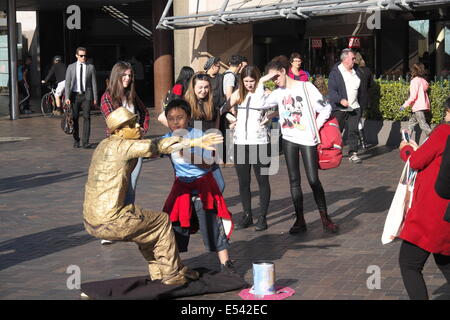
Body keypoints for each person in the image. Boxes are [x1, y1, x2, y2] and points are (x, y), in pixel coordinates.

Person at [82, 107, 222, 286]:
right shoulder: (123, 145)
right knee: (162, 221)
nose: (138, 126)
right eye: (132, 124)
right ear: (118, 131)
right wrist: (194, 142)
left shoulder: (103, 145)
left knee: (148, 232)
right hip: (112, 219)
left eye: (136, 121)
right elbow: (156, 146)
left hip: (91, 220)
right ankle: (172, 274)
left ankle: (161, 272)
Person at [252, 59, 338, 234]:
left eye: (276, 77)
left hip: (307, 138)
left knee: (313, 179)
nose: (275, 81)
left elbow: (326, 108)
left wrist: (316, 126)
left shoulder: (306, 87)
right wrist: (261, 81)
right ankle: (300, 219)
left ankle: (325, 217)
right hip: (289, 138)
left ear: (283, 71)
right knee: (294, 181)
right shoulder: (278, 92)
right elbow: (259, 103)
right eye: (272, 79)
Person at [162, 99, 235, 273]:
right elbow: (150, 150)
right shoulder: (167, 139)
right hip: (182, 186)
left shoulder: (199, 135)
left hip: (203, 184)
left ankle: (226, 265)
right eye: (171, 118)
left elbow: (208, 164)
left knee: (213, 224)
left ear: (188, 117)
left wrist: (188, 155)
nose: (175, 122)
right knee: (174, 223)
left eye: (180, 117)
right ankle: (174, 267)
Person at [397, 100, 450, 300]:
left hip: (432, 211)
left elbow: (417, 161)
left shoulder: (444, 132)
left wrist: (406, 149)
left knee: (409, 264)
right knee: (445, 262)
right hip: (446, 215)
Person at [225, 65, 272, 231]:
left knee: (262, 181)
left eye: (252, 81)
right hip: (240, 142)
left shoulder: (264, 94)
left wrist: (270, 116)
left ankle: (263, 217)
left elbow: (278, 109)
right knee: (244, 182)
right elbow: (223, 109)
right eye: (246, 81)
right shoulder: (239, 94)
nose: (249, 84)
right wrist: (233, 119)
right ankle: (247, 215)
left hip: (260, 142)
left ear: (257, 80)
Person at [328, 48, 363, 164]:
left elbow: (363, 87)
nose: (355, 60)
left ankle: (353, 153)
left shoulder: (356, 70)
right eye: (352, 58)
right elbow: (332, 92)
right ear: (345, 59)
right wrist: (340, 100)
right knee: (337, 132)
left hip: (354, 107)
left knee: (353, 131)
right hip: (340, 108)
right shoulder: (335, 72)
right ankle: (332, 152)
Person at [65, 47, 98, 149]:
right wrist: (67, 97)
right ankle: (76, 140)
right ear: (77, 56)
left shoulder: (90, 67)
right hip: (74, 95)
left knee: (87, 117)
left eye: (85, 55)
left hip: (86, 95)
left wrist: (95, 97)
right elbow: (67, 83)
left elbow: (94, 83)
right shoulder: (71, 67)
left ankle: (85, 142)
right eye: (81, 56)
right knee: (75, 118)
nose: (84, 57)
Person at [401, 63, 432, 137]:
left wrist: (404, 105)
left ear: (413, 71)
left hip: (418, 107)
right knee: (411, 122)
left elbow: (413, 96)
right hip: (421, 106)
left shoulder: (414, 81)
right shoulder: (423, 81)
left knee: (423, 124)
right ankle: (407, 139)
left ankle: (434, 137)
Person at [354, 52, 374, 150]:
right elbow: (371, 84)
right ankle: (362, 141)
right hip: (364, 98)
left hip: (356, 98)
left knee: (356, 120)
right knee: (359, 119)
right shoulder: (367, 70)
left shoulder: (354, 71)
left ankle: (362, 141)